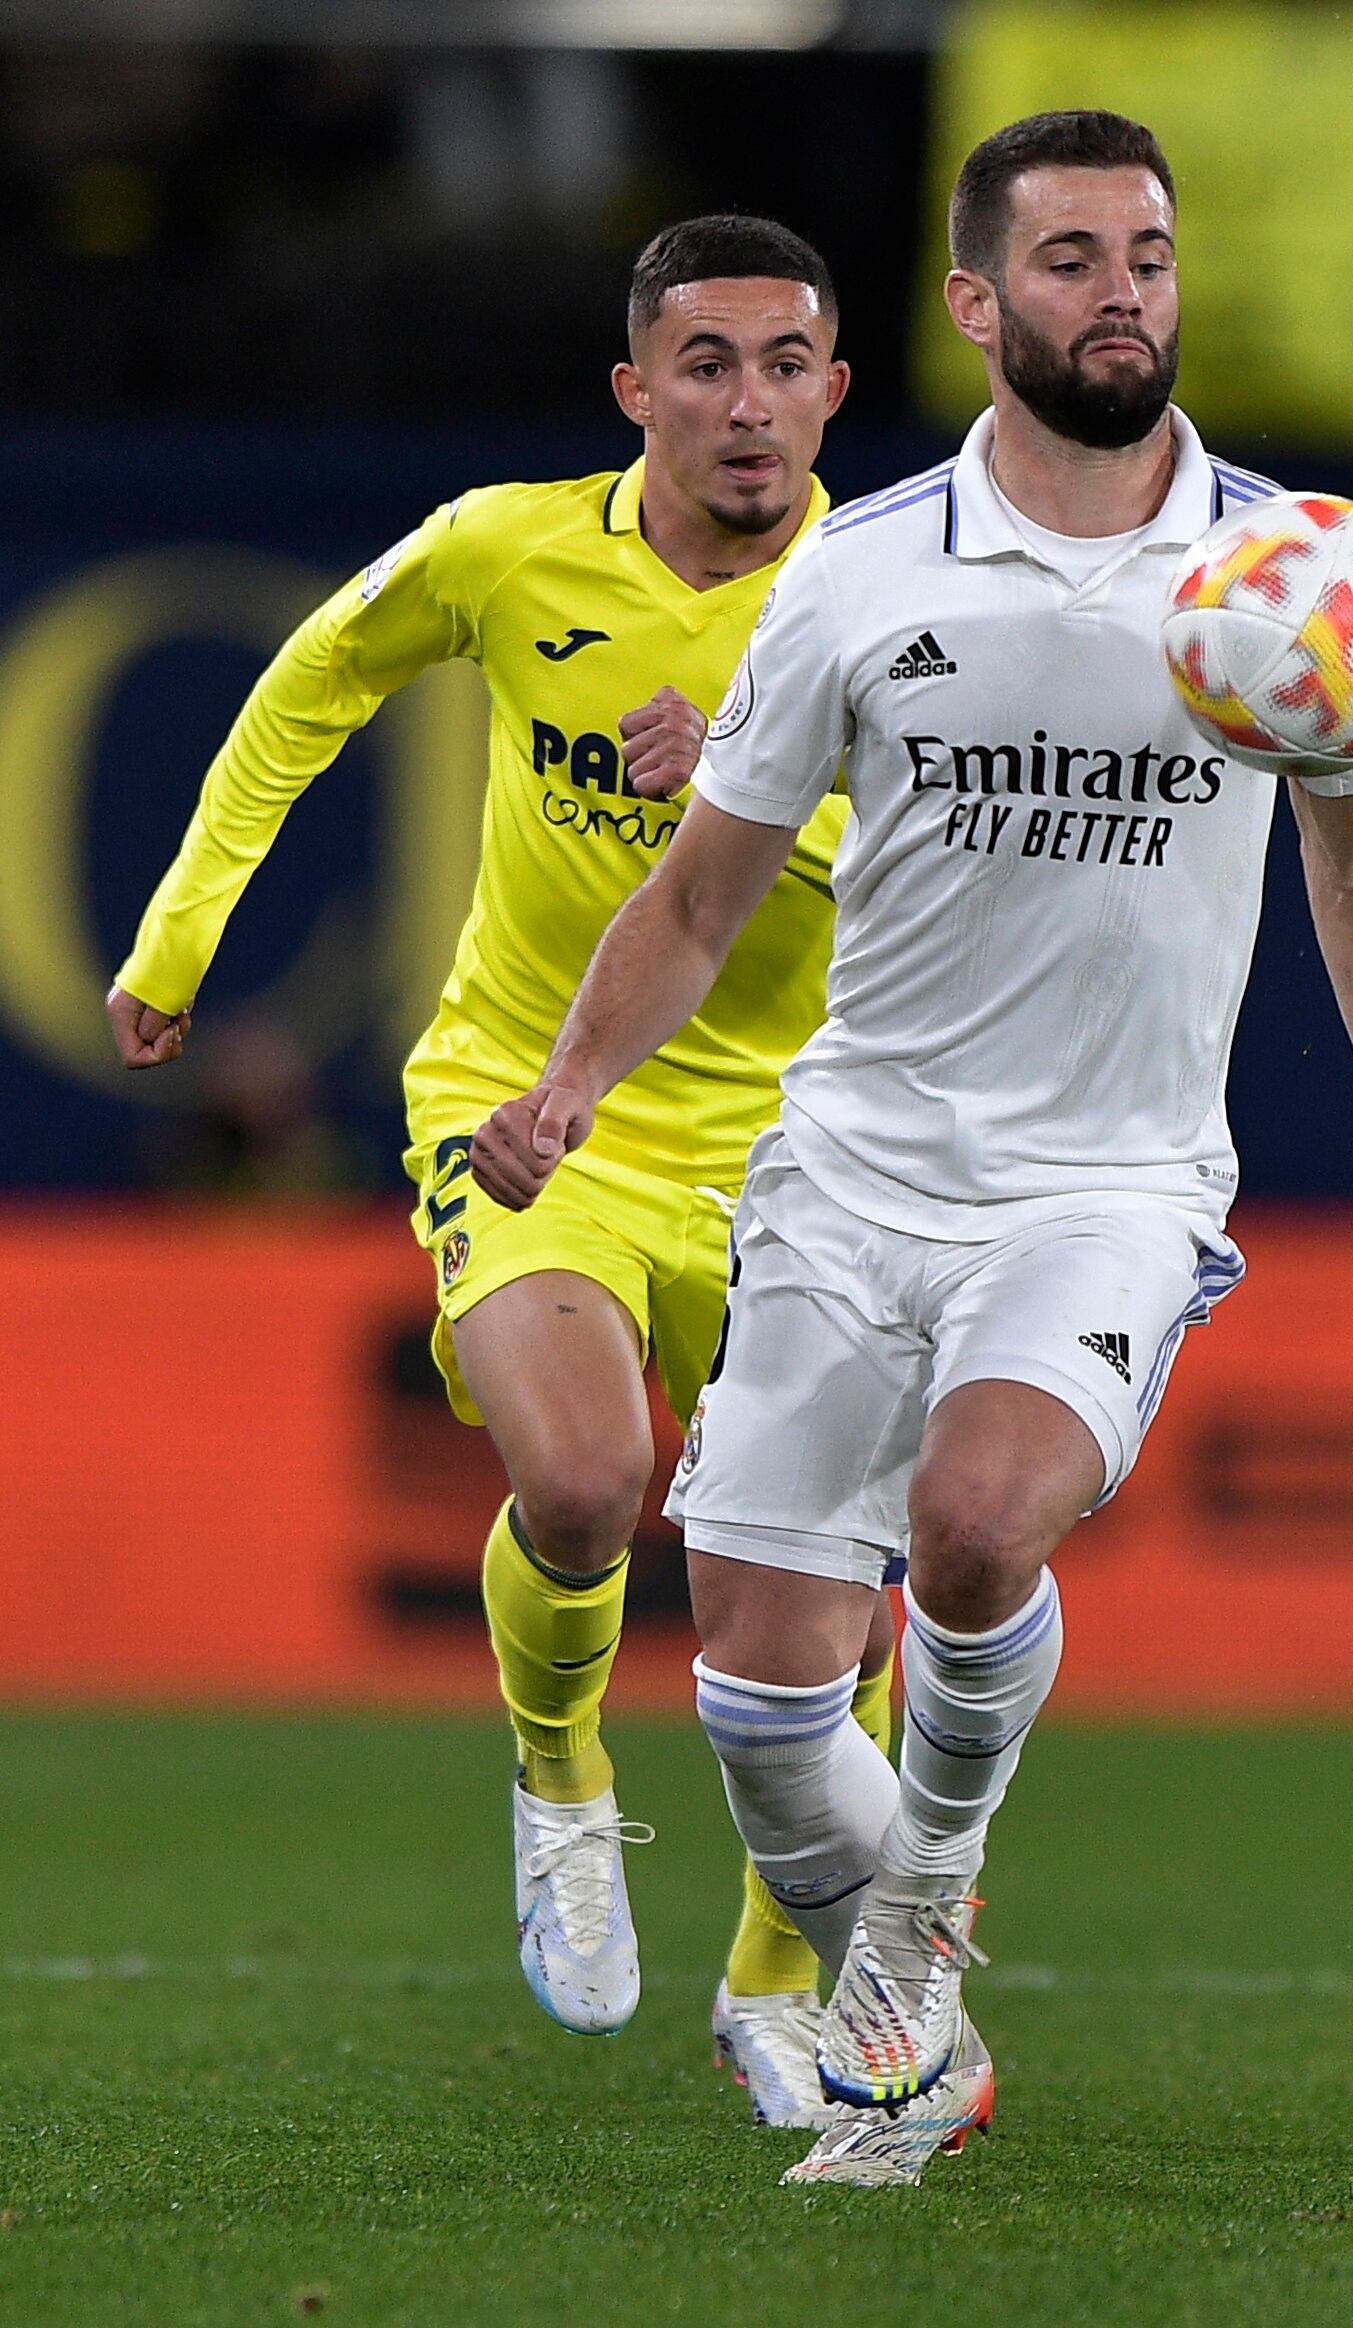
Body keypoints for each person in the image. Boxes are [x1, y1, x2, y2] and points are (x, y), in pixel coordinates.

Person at [470, 110, 1353, 2186]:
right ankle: (886, 1987)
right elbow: (699, 897)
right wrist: (564, 1089)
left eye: (1153, 255)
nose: (1125, 293)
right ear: (976, 301)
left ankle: (917, 1920)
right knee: (752, 1696)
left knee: (978, 1523)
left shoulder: (1287, 576)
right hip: (845, 1175)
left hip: (1103, 1189)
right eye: (1078, 256)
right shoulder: (858, 574)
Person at [105, 213, 893, 2130]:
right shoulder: (504, 545)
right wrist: (181, 932)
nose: (747, 405)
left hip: (818, 1141)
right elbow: (308, 683)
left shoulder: (893, 603)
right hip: (537, 1100)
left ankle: (778, 1993)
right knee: (584, 1475)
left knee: (836, 1604)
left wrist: (758, 790)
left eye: (785, 364)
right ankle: (558, 1782)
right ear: (635, 391)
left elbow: (966, 890)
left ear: (836, 393)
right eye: (704, 365)